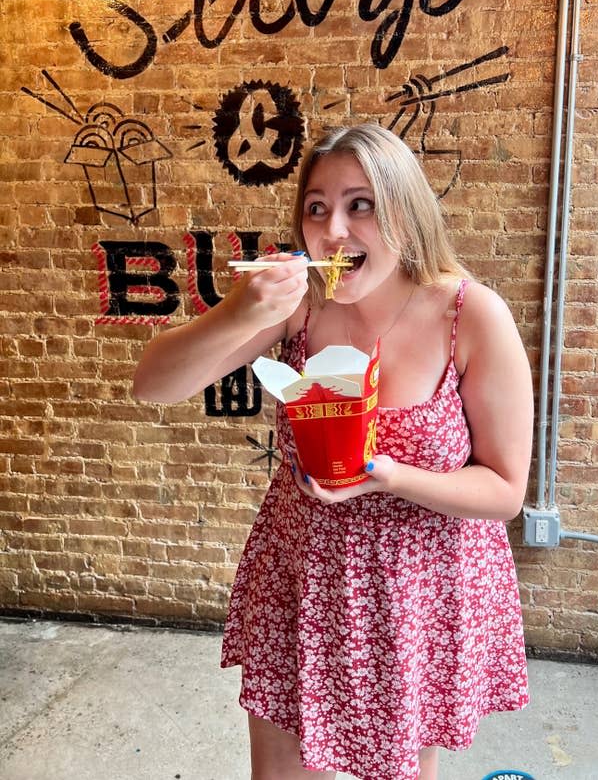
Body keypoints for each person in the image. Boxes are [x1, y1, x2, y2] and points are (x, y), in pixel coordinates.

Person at [133, 123, 533, 780]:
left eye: (361, 204)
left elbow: (505, 488)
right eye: (316, 207)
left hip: (418, 601)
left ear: (406, 210)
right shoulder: (299, 308)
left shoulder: (471, 314)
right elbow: (153, 386)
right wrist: (237, 311)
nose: (333, 230)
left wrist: (387, 474)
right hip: (303, 588)